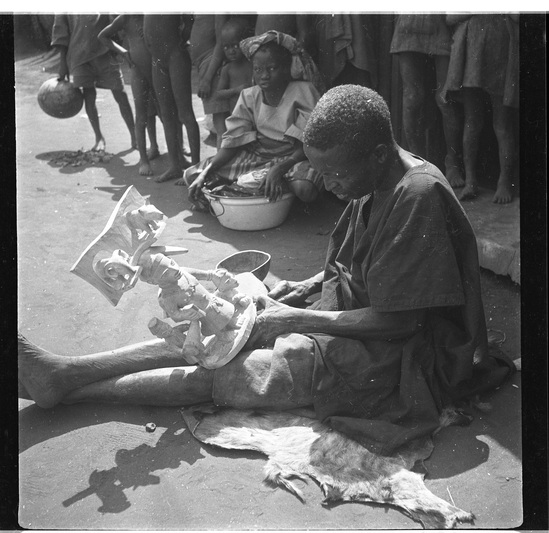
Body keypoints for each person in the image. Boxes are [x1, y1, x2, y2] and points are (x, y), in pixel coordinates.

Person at [18, 85, 514, 456]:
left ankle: (69, 388)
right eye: (321, 171)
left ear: (381, 154)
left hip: (407, 357)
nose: (328, 186)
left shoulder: (418, 195)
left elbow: (403, 321)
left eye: (336, 174)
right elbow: (363, 261)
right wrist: (307, 287)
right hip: (359, 318)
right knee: (220, 320)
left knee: (232, 368)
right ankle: (67, 370)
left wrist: (292, 320)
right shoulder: (377, 181)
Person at [181, 31, 324, 207]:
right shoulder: (249, 95)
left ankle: (267, 186)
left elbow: (309, 142)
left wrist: (279, 169)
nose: (264, 75)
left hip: (295, 157)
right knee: (193, 175)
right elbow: (234, 141)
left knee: (305, 189)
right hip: (259, 156)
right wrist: (206, 172)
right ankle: (265, 187)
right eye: (258, 69)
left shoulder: (303, 91)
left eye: (272, 68)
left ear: (287, 69)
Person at [443, 14, 519, 204]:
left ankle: (505, 181)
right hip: (471, 46)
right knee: (472, 120)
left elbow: (518, 14)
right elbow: (450, 17)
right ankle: (470, 180)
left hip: (500, 43)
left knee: (502, 124)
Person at [390, 14, 465, 188]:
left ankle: (452, 162)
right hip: (409, 21)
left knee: (445, 98)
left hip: (441, 23)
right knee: (412, 96)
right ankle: (416, 163)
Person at [51, 14, 136, 152]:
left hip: (105, 52)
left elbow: (117, 19)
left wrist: (118, 47)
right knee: (89, 96)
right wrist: (63, 64)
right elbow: (61, 30)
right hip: (79, 56)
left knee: (120, 93)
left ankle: (135, 136)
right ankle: (98, 137)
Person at [98, 15, 160, 176]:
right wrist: (123, 51)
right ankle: (144, 159)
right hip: (138, 72)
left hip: (158, 71)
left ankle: (170, 152)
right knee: (142, 115)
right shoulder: (125, 18)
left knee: (165, 112)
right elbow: (102, 36)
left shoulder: (151, 14)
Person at [143, 15, 200, 183]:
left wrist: (181, 38)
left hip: (175, 56)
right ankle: (174, 166)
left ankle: (195, 169)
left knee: (185, 114)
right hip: (156, 59)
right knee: (167, 115)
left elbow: (189, 20)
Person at [210, 19, 254, 148]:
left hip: (255, 115)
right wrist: (236, 90)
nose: (231, 51)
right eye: (226, 47)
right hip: (236, 118)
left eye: (235, 46)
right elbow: (218, 93)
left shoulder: (252, 64)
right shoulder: (227, 69)